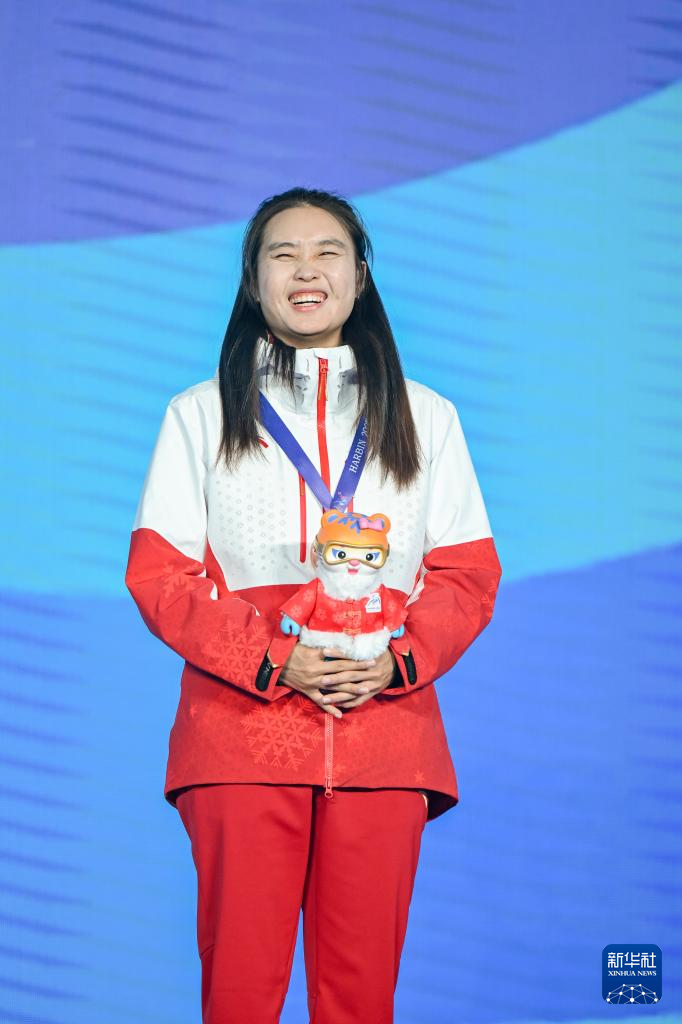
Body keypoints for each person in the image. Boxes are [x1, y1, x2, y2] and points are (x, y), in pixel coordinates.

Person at [125, 187, 502, 1023]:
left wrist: (397, 662)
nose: (306, 270)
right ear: (253, 280)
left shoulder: (427, 417)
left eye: (327, 252)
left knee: (361, 999)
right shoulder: (199, 414)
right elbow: (160, 576)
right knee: (239, 995)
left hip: (384, 736)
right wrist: (274, 659)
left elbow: (467, 573)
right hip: (240, 733)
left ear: (359, 277)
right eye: (282, 254)